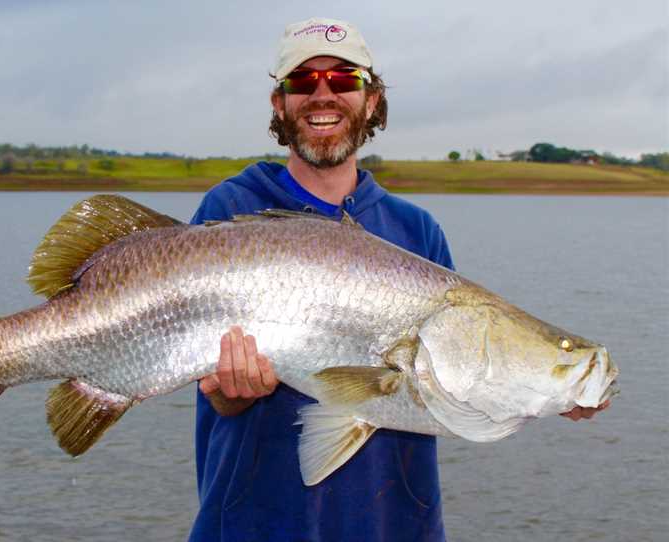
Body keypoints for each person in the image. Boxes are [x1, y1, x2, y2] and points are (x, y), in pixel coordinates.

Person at [187, 17, 608, 542]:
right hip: (254, 524)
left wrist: (537, 391)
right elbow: (213, 393)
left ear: (372, 99)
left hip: (395, 526)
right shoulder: (228, 211)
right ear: (279, 103)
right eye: (302, 82)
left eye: (344, 80)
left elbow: (447, 379)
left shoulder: (419, 231)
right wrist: (232, 392)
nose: (323, 95)